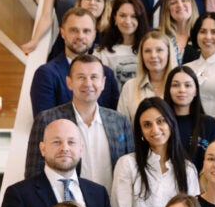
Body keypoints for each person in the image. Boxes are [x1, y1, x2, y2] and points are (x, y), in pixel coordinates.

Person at [111, 96, 200, 207]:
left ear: (171, 124)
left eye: (161, 121)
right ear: (140, 132)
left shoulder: (188, 170)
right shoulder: (127, 165)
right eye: (147, 125)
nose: (155, 129)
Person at [24, 56, 134, 186]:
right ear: (69, 83)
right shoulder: (47, 119)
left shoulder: (120, 122)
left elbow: (131, 170)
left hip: (111, 204)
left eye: (94, 77)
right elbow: (33, 174)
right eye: (81, 77)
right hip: (65, 203)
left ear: (103, 83)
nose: (87, 83)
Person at [29, 8, 119, 117]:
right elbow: (44, 123)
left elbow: (113, 119)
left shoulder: (107, 74)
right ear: (62, 33)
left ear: (94, 34)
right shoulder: (46, 74)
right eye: (74, 30)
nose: (80, 36)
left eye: (86, 31)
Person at [164, 65, 215, 172]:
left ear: (196, 91)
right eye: (175, 85)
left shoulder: (209, 124)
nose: (182, 90)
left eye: (188, 85)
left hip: (203, 185)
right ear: (168, 90)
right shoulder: (161, 123)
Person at [117, 29, 176, 126]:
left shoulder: (178, 86)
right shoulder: (130, 87)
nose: (153, 55)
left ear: (169, 54)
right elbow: (121, 126)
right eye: (147, 51)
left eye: (159, 50)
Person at [95, 0, 150, 92]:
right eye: (122, 15)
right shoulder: (101, 52)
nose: (127, 21)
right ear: (115, 18)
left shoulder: (149, 49)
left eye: (133, 16)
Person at [159, 0, 199, 64]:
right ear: (167, 9)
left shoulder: (201, 35)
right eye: (173, 2)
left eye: (184, 0)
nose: (180, 5)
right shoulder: (159, 36)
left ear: (192, 4)